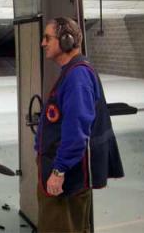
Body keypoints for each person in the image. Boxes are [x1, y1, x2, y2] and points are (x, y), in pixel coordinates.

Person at [35, 17, 124, 233]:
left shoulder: (77, 77)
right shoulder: (72, 72)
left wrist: (59, 171)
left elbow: (76, 132)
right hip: (63, 172)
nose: (43, 43)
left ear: (65, 41)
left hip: (68, 179)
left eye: (47, 38)